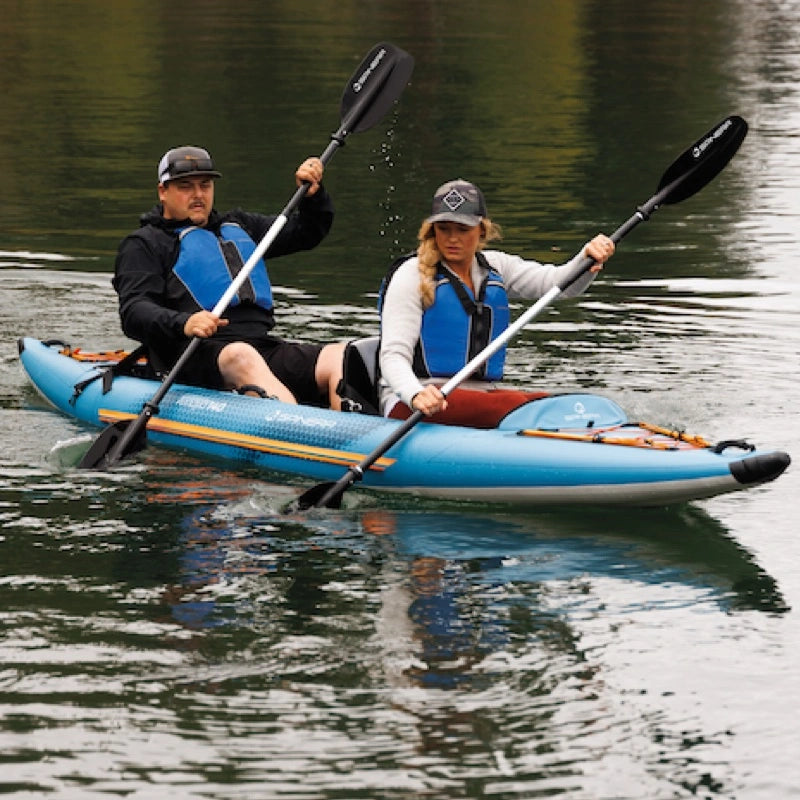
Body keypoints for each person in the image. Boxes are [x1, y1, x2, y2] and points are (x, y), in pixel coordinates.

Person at [112, 145, 345, 408]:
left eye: (205, 185)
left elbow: (307, 232)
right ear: (163, 192)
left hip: (261, 347)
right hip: (189, 355)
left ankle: (354, 437)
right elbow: (134, 312)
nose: (198, 194)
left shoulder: (240, 226)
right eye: (185, 186)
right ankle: (295, 432)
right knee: (241, 355)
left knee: (338, 357)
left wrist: (314, 197)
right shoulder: (146, 244)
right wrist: (184, 322)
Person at [378, 179, 616, 421]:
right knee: (513, 404)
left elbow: (560, 285)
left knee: (552, 402)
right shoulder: (411, 274)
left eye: (462, 230)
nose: (452, 238)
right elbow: (393, 354)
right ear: (432, 230)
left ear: (481, 229)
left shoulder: (495, 267)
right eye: (444, 229)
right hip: (415, 400)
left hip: (482, 396)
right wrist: (415, 393)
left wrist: (586, 260)